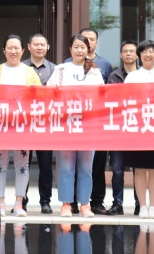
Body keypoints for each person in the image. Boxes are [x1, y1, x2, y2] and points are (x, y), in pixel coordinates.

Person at [0, 34, 43, 216]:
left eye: (16, 48)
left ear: (23, 50)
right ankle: (0, 202)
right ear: (4, 50)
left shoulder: (30, 72)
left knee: (22, 165)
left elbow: (40, 98)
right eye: (9, 48)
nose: (13, 51)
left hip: (23, 126)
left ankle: (19, 203)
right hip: (1, 125)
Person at [50, 33, 104, 218]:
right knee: (66, 166)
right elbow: (49, 93)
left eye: (83, 47)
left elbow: (102, 96)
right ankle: (66, 203)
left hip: (88, 126)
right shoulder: (61, 69)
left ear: (88, 49)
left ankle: (84, 204)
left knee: (86, 168)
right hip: (66, 125)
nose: (79, 50)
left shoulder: (94, 71)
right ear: (70, 49)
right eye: (76, 47)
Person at [124, 40, 154, 218]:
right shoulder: (132, 77)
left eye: (151, 51)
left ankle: (153, 205)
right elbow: (125, 101)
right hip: (138, 127)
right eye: (144, 52)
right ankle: (142, 205)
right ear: (139, 55)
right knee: (139, 169)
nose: (148, 55)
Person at [78, 27, 113, 215]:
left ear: (96, 42)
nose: (88, 42)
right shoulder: (68, 64)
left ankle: (97, 201)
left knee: (98, 163)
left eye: (91, 39)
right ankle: (74, 200)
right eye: (85, 39)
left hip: (97, 120)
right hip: (75, 120)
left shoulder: (104, 64)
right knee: (76, 163)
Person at [24, 33, 56, 214]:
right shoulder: (21, 68)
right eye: (35, 44)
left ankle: (45, 201)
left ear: (47, 47)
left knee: (45, 165)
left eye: (42, 45)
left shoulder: (55, 69)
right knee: (23, 164)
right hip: (25, 123)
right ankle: (22, 200)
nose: (39, 47)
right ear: (29, 47)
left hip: (45, 124)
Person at [106, 39, 138, 216]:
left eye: (132, 51)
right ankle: (117, 204)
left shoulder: (142, 75)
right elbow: (110, 99)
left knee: (138, 170)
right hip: (117, 129)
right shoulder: (114, 76)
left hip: (138, 129)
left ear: (137, 54)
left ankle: (139, 203)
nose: (128, 54)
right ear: (121, 54)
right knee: (117, 170)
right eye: (125, 51)